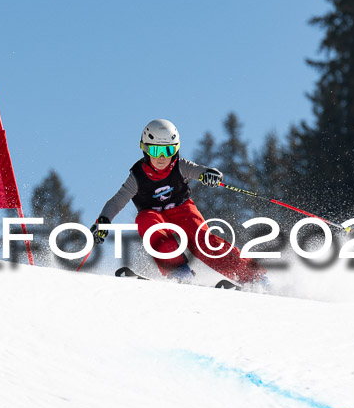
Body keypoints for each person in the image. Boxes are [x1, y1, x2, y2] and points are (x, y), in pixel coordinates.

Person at [90, 118, 264, 284]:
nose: (162, 158)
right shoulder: (137, 177)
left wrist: (210, 174)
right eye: (156, 151)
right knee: (146, 221)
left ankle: (252, 275)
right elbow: (116, 202)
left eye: (168, 151)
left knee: (203, 242)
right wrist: (103, 221)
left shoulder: (179, 166)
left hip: (183, 210)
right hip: (155, 215)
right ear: (145, 150)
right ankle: (178, 272)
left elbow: (200, 171)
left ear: (176, 150)